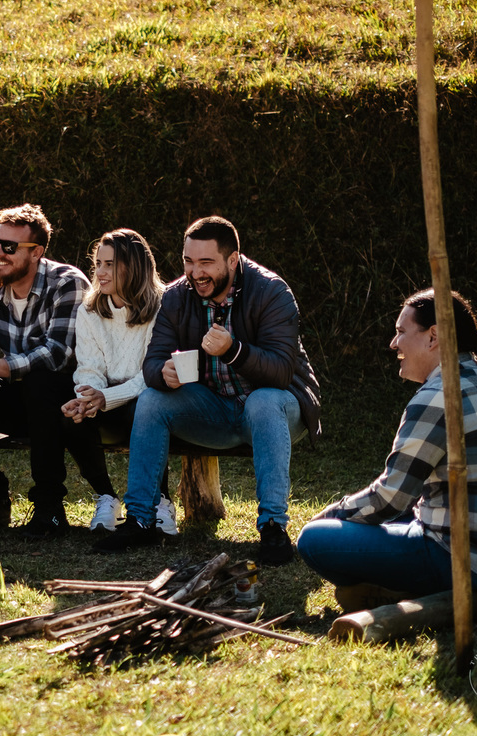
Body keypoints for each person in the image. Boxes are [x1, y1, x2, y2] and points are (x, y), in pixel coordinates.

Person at [296, 290, 477, 611]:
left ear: (433, 337)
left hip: (468, 567)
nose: (393, 343)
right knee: (402, 512)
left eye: (401, 332)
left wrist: (329, 515)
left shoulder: (437, 397)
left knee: (315, 539)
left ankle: (393, 588)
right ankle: (390, 582)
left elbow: (390, 498)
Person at [93, 216, 321, 564]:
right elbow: (152, 362)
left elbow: (281, 371)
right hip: (212, 407)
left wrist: (234, 351)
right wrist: (162, 373)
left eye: (205, 263)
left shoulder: (271, 291)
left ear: (233, 260)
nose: (195, 272)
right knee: (152, 399)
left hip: (275, 409)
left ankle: (273, 526)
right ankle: (141, 519)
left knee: (263, 400)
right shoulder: (176, 296)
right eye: (188, 261)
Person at [0, 204, 117, 538]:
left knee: (40, 379)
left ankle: (50, 509)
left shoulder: (66, 283)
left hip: (65, 403)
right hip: (17, 402)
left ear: (36, 252)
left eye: (9, 247)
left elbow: (59, 354)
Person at [60, 228, 166, 533]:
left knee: (147, 408)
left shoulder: (161, 307)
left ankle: (161, 500)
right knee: (71, 417)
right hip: (107, 399)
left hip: (147, 397)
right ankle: (105, 495)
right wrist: (88, 397)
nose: (100, 272)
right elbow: (88, 366)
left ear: (132, 267)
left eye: (110, 264)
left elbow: (152, 373)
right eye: (98, 264)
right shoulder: (90, 310)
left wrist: (108, 397)